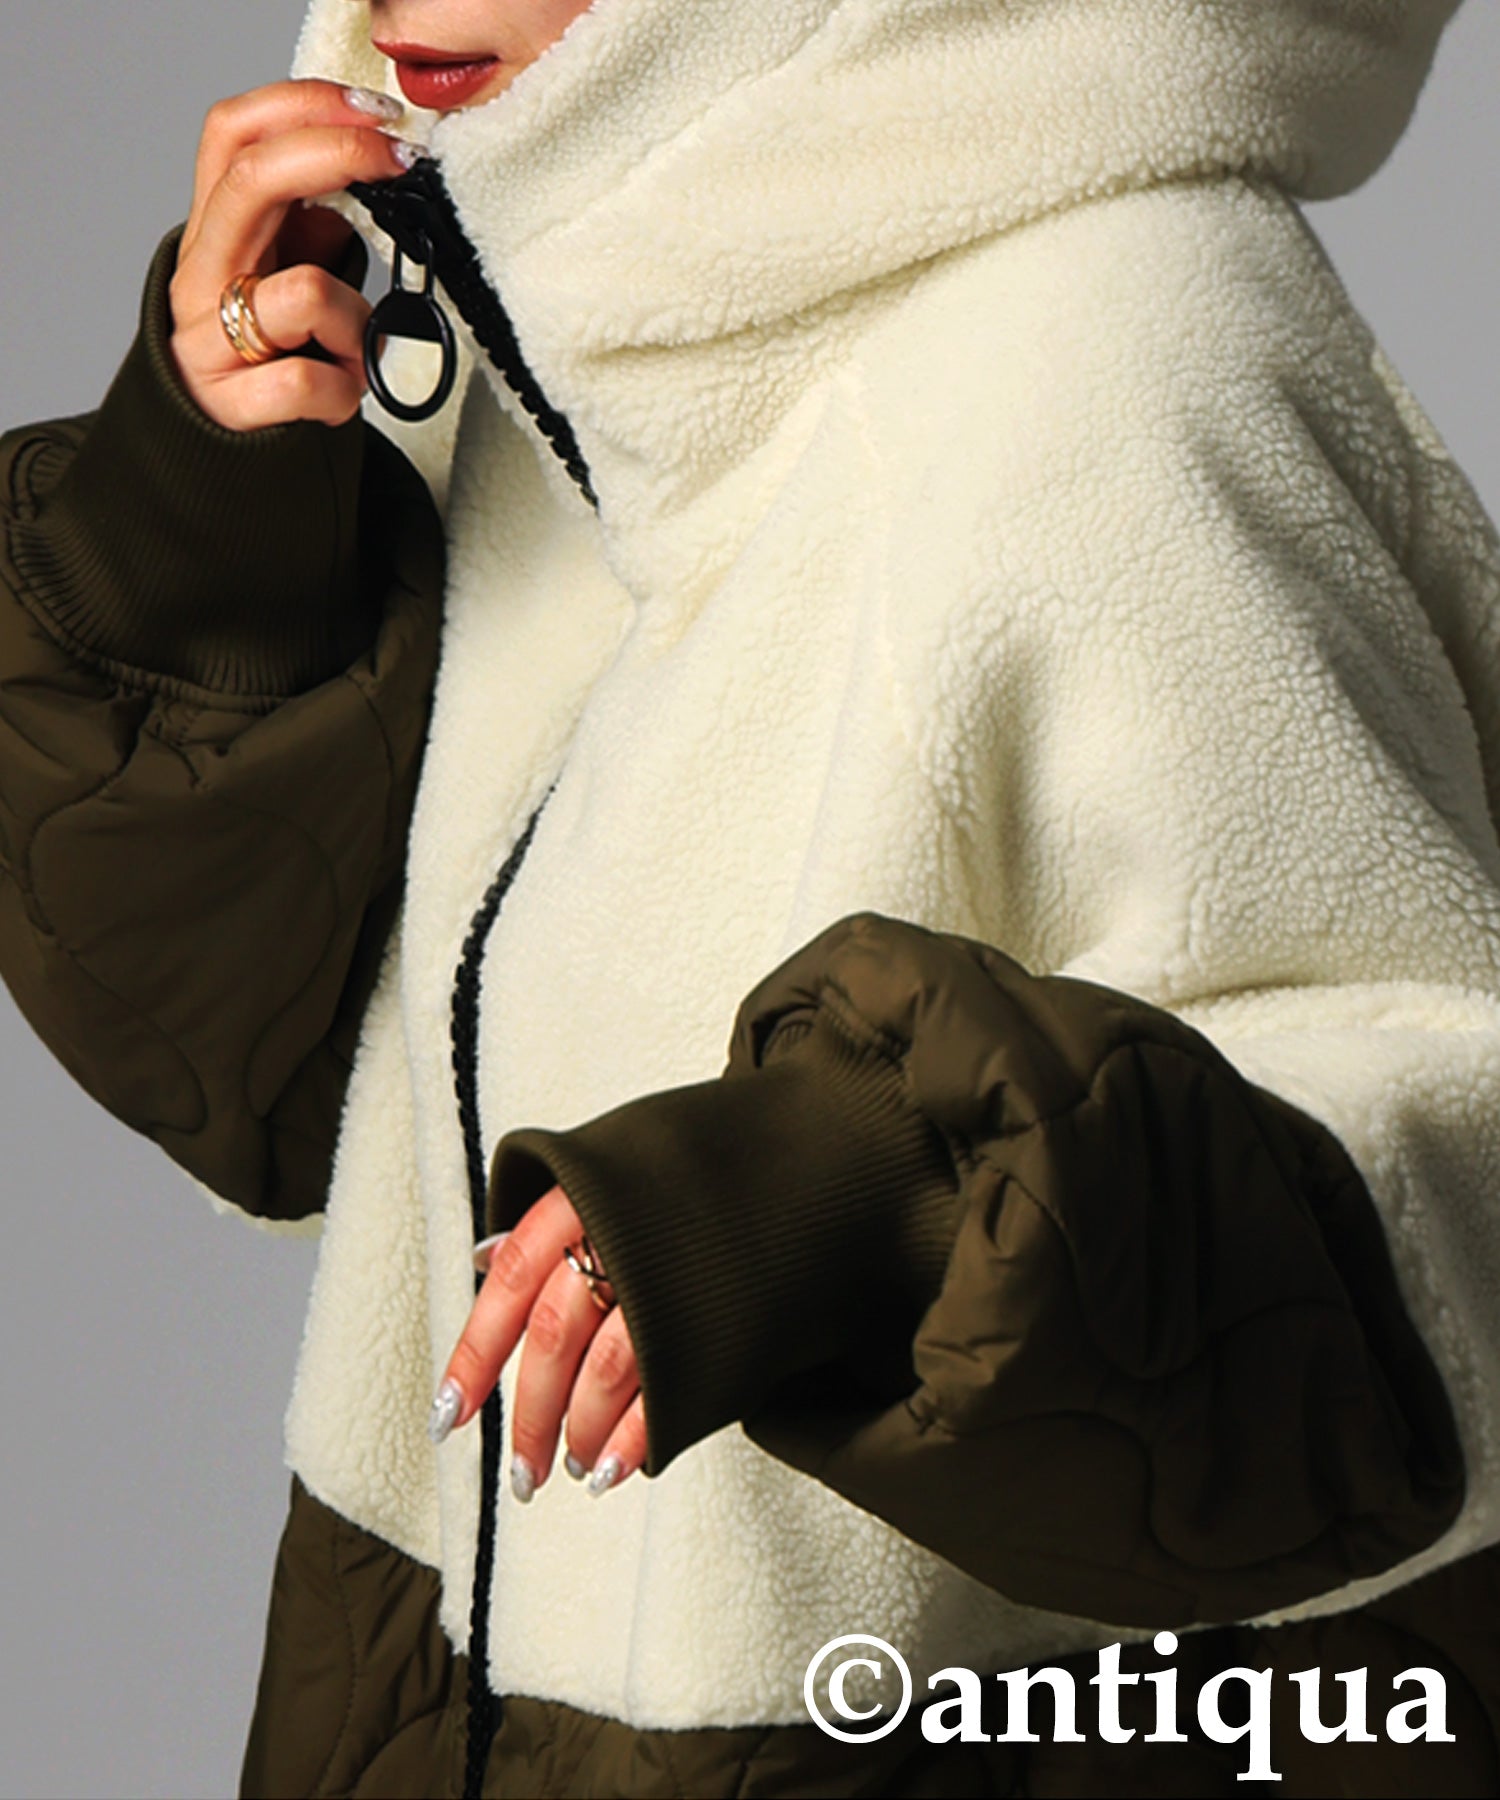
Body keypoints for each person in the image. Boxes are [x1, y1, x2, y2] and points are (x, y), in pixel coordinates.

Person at [3, 0, 1499, 1793]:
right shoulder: (547, 306)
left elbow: (1426, 1204)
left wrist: (870, 1195)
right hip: (427, 1693)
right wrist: (209, 534)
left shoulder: (1115, 350)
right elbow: (272, 1077)